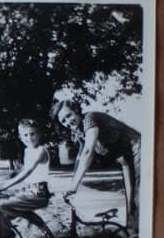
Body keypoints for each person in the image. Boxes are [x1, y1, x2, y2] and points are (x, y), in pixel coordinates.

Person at [51, 98, 142, 230]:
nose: (68, 121)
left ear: (76, 110)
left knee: (141, 196)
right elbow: (80, 158)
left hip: (138, 149)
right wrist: (72, 185)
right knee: (130, 202)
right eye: (63, 121)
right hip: (125, 160)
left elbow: (88, 151)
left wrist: (73, 186)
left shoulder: (89, 119)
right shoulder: (79, 132)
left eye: (69, 115)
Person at [0, 118, 54, 238]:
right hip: (28, 192)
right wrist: (8, 180)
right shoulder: (27, 151)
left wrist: (6, 185)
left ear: (39, 134)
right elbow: (24, 171)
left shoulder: (41, 150)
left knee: (2, 207)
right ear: (20, 137)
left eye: (32, 134)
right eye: (25, 135)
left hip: (38, 194)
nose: (29, 138)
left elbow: (28, 171)